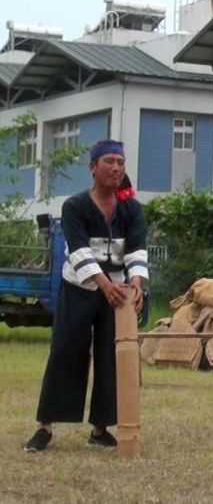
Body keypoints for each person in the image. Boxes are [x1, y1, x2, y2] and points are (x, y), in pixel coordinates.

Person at [23, 140, 148, 452]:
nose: (116, 167)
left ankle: (101, 428)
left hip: (118, 294)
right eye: (109, 161)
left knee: (111, 357)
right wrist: (106, 286)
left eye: (120, 161)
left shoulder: (132, 209)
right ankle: (45, 427)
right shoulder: (75, 206)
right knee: (66, 350)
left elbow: (136, 251)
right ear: (93, 167)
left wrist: (136, 285)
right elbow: (78, 253)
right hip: (80, 289)